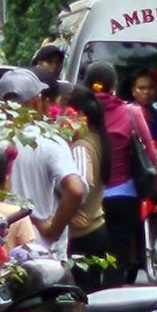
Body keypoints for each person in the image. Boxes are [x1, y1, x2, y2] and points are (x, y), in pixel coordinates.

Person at [0, 67, 89, 266]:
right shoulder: (50, 142)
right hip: (39, 257)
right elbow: (75, 190)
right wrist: (52, 231)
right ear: (36, 102)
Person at [87, 60, 157, 284]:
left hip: (87, 199)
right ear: (114, 85)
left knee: (88, 258)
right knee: (117, 256)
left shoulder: (77, 113)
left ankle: (89, 299)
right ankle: (109, 299)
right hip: (123, 195)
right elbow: (150, 153)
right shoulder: (131, 112)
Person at [58, 83, 114, 283]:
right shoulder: (98, 137)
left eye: (64, 113)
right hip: (95, 227)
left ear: (79, 115)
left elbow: (81, 187)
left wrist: (69, 211)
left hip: (84, 233)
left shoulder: (81, 146)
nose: (59, 119)